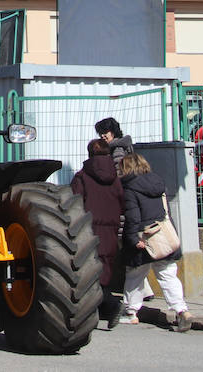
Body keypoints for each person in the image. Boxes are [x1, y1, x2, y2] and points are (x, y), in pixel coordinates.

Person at [119, 152, 190, 332]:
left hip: (144, 237)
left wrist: (133, 238)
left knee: (135, 276)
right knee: (168, 275)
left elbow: (133, 216)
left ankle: (131, 312)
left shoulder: (129, 188)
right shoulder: (158, 182)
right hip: (162, 237)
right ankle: (181, 310)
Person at [71, 138, 124, 327]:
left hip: (89, 228)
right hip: (111, 228)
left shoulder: (82, 176)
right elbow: (122, 201)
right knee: (105, 269)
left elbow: (74, 203)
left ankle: (110, 304)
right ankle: (103, 309)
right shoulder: (115, 178)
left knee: (88, 272)